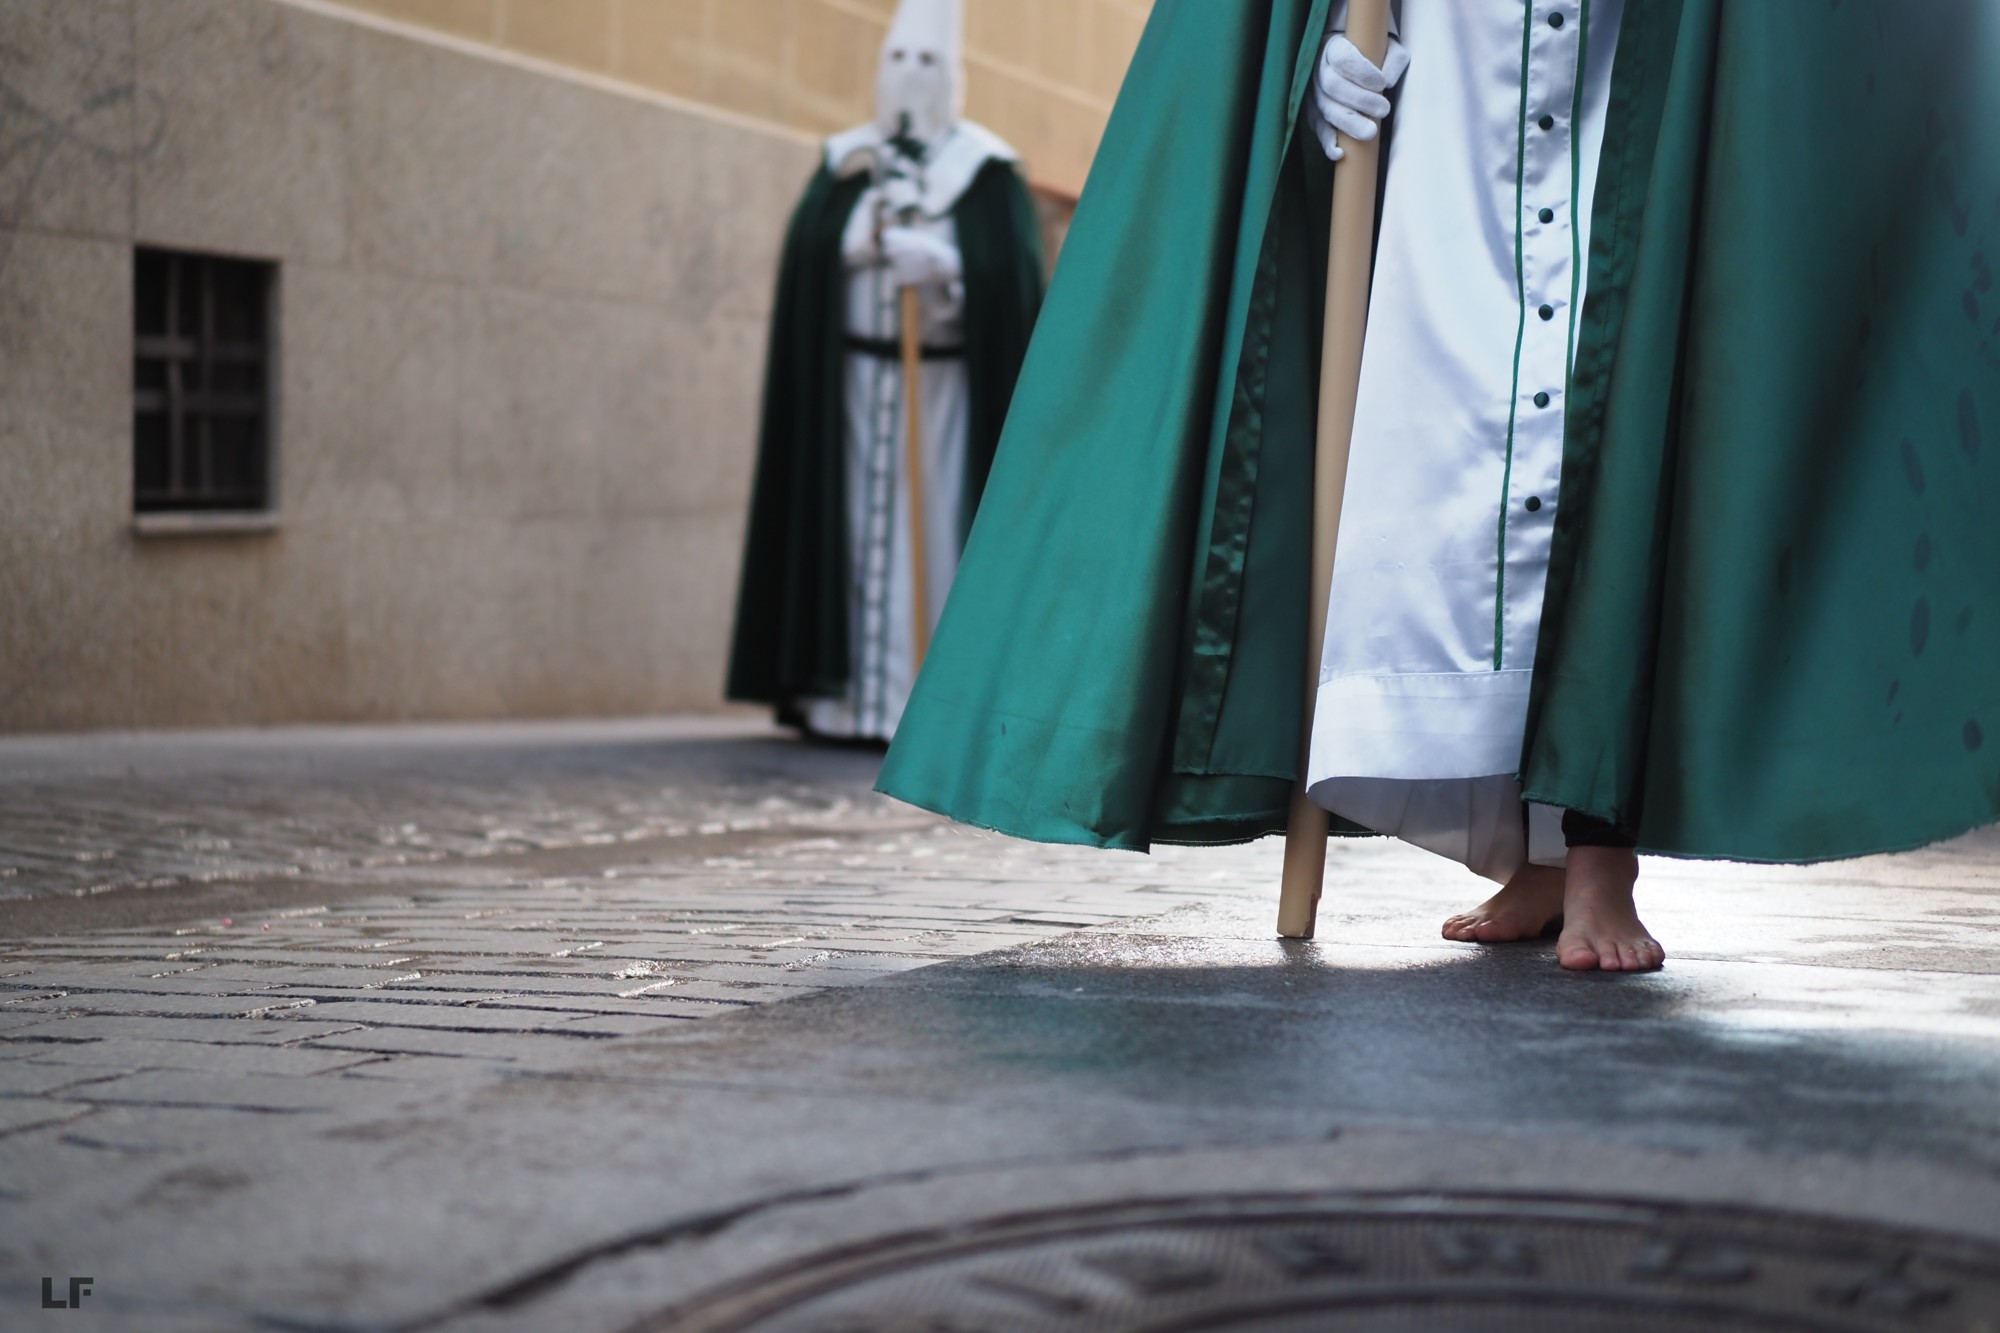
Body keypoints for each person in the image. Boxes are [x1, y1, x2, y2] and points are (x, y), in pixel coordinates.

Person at [876, 0, 1999, 970]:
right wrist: (1313, 49)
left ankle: (1598, 853)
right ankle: (1534, 853)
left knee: (1612, 447)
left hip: (1630, 106)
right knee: (1459, 477)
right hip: (1454, 139)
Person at [726, 0, 1044, 743]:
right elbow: (807, 257)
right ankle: (844, 703)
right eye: (897, 59)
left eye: (927, 61)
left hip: (945, 395)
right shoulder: (847, 162)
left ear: (953, 74)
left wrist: (951, 267)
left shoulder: (986, 173)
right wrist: (858, 243)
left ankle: (922, 705)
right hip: (850, 392)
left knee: (934, 540)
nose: (909, 76)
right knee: (843, 540)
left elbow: (1016, 283)